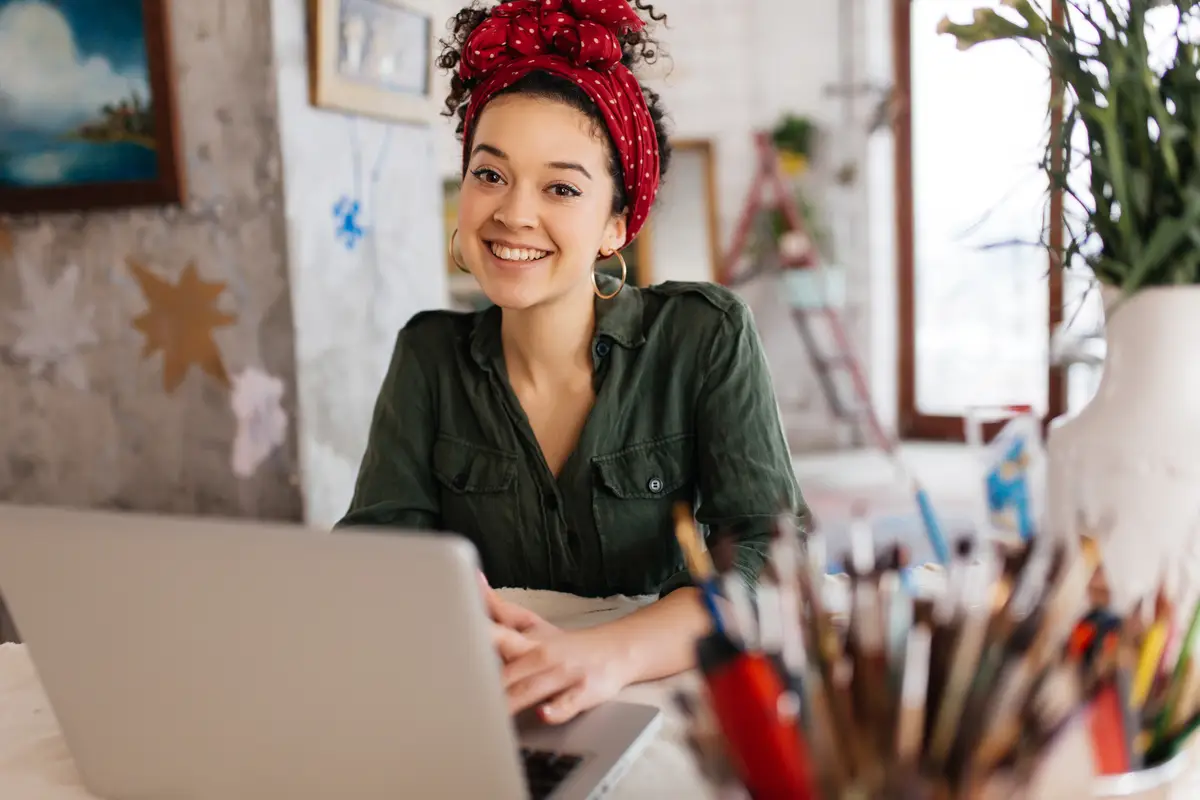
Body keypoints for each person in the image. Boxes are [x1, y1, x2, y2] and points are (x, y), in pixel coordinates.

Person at [337, 0, 805, 725]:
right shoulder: (427, 357)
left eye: (561, 188)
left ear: (617, 223)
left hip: (660, 700)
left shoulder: (705, 337)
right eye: (490, 175)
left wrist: (606, 655)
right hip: (489, 702)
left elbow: (771, 559)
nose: (513, 214)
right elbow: (373, 557)